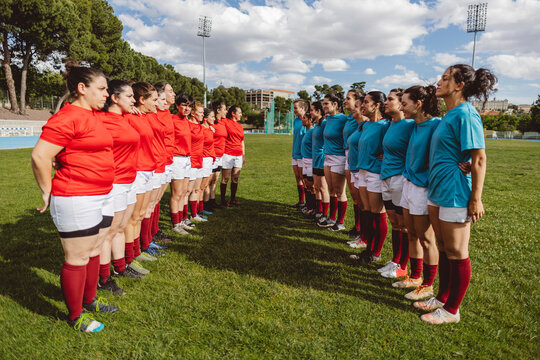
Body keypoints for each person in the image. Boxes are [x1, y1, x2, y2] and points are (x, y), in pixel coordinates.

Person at [31, 62, 118, 332]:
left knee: (93, 251)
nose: (106, 94)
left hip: (101, 194)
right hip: (76, 196)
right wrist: (47, 191)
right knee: (77, 258)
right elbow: (40, 156)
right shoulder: (67, 118)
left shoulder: (93, 115)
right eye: (102, 89)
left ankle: (89, 300)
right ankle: (75, 315)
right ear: (82, 88)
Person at [417, 64, 495, 324]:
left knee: (457, 252)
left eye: (446, 78)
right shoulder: (449, 115)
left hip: (455, 191)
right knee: (443, 247)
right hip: (438, 188)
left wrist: (476, 197)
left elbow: (479, 158)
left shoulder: (466, 114)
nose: (439, 82)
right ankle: (441, 298)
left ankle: (452, 310)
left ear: (459, 85)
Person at [98, 80, 144, 296]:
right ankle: (104, 279)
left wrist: (132, 112)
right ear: (114, 98)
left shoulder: (126, 118)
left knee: (119, 228)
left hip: (129, 180)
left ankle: (120, 267)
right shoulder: (101, 120)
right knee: (108, 233)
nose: (134, 100)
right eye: (129, 96)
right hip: (114, 182)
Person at [396, 85, 441, 300]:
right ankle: (414, 276)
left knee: (426, 237)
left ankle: (428, 284)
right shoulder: (413, 125)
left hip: (423, 187)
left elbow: (455, 144)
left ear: (419, 104)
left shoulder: (436, 125)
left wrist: (465, 162)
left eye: (405, 103)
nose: (401, 107)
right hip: (408, 182)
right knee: (410, 231)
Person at [378, 89, 415, 279]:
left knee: (404, 224)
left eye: (390, 99)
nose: (386, 102)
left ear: (401, 104)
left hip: (400, 178)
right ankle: (395, 260)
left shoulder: (410, 124)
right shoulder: (390, 124)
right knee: (394, 222)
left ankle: (403, 265)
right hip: (386, 176)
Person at [125, 82, 160, 275]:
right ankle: (128, 259)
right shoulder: (130, 117)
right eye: (153, 99)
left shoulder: (145, 117)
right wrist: (129, 109)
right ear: (142, 100)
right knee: (132, 217)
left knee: (139, 215)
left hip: (148, 169)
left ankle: (136, 251)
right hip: (137, 170)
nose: (156, 103)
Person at [354, 91, 390, 263]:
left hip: (375, 172)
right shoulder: (366, 125)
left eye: (366, 102)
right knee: (366, 211)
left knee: (377, 213)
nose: (362, 105)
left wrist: (385, 154)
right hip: (362, 171)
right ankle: (368, 248)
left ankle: (376, 252)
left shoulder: (385, 125)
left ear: (377, 105)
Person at [318, 92, 348, 231]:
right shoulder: (327, 119)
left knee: (339, 192)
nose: (324, 106)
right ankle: (332, 218)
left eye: (326, 103)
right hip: (328, 157)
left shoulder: (343, 119)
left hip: (339, 158)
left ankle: (340, 222)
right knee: (331, 190)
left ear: (335, 104)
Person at [153, 81, 177, 243]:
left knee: (157, 201)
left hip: (168, 160)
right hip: (157, 161)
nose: (173, 94)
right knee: (152, 202)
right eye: (170, 91)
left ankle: (154, 231)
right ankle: (149, 235)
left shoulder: (167, 113)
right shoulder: (156, 113)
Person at [343, 89, 367, 241]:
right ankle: (358, 227)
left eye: (348, 98)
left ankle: (362, 232)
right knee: (355, 196)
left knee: (363, 200)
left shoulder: (364, 120)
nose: (345, 101)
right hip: (349, 157)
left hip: (361, 162)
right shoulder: (349, 119)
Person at [170, 94, 193, 234]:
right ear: (177, 106)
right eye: (184, 105)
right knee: (177, 193)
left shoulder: (187, 121)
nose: (186, 108)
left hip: (186, 159)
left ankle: (180, 221)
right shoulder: (172, 119)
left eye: (189, 106)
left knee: (183, 192)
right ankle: (175, 224)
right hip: (177, 158)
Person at [220, 105, 245, 206]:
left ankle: (233, 199)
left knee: (235, 177)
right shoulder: (225, 122)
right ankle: (222, 200)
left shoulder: (240, 126)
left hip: (238, 154)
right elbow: (217, 119)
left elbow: (242, 141)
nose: (241, 115)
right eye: (239, 112)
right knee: (225, 178)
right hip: (228, 153)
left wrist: (243, 155)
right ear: (233, 114)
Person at [186, 101, 206, 222]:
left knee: (196, 189)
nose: (202, 114)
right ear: (193, 113)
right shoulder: (188, 125)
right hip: (190, 161)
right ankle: (183, 217)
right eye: (200, 112)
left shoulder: (200, 126)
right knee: (187, 191)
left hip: (199, 160)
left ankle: (194, 215)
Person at [310, 101, 330, 221]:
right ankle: (319, 210)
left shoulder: (324, 123)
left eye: (312, 110)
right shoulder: (316, 124)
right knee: (316, 186)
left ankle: (325, 214)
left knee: (323, 187)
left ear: (318, 111)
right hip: (315, 159)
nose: (310, 112)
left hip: (322, 159)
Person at [207, 101, 228, 211]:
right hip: (212, 155)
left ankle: (212, 200)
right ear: (218, 110)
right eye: (224, 109)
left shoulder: (222, 122)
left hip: (220, 156)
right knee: (208, 181)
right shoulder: (212, 123)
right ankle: (205, 204)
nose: (226, 111)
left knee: (215, 179)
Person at [200, 107, 216, 215]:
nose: (214, 119)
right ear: (205, 118)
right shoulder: (201, 129)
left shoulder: (210, 129)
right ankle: (198, 209)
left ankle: (202, 207)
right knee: (201, 186)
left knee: (206, 184)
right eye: (212, 116)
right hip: (204, 159)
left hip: (209, 159)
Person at [291, 100, 307, 208]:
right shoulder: (296, 121)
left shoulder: (309, 121)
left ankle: (309, 204)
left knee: (305, 179)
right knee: (298, 178)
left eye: (296, 108)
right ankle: (301, 202)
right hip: (295, 153)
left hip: (304, 154)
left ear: (303, 108)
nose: (294, 110)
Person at [300, 107, 315, 216]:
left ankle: (313, 208)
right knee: (306, 183)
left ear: (310, 120)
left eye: (304, 118)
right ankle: (308, 205)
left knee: (312, 185)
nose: (302, 120)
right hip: (305, 160)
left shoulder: (313, 131)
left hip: (310, 161)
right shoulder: (307, 131)